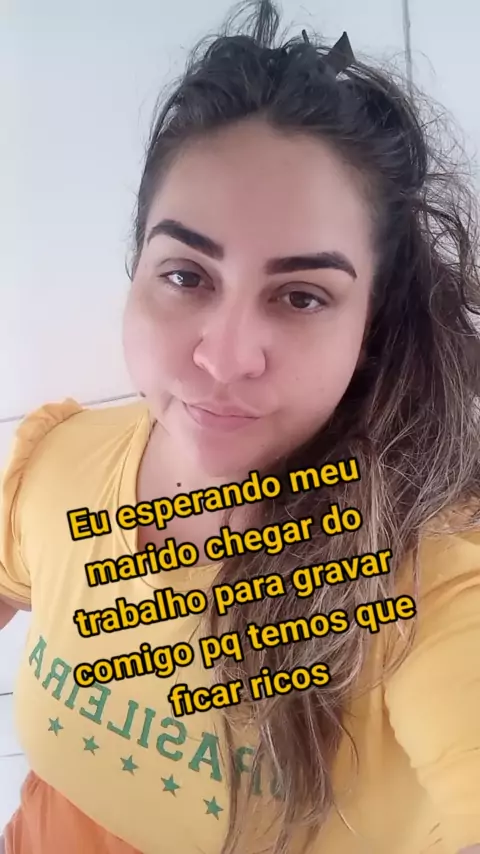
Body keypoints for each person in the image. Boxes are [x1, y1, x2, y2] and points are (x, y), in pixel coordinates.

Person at [1, 1, 480, 852]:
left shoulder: (431, 584)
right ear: (137, 270)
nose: (223, 359)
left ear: (369, 325)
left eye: (301, 296)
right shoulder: (58, 462)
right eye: (187, 275)